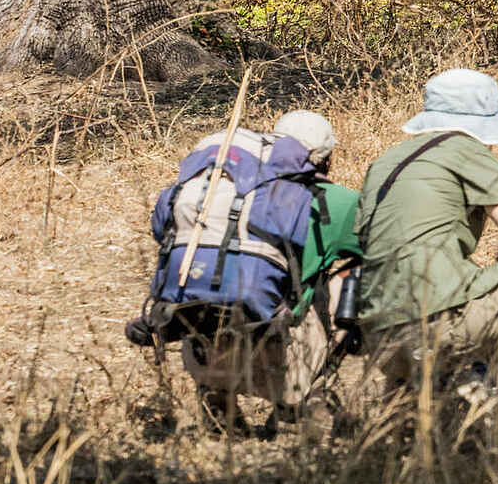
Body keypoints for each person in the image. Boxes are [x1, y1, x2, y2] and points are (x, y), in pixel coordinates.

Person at [145, 109, 358, 435]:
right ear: (325, 159)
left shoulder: (214, 191)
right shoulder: (334, 201)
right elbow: (385, 246)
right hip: (281, 359)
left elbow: (161, 233)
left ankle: (217, 405)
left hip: (206, 356)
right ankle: (300, 398)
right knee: (358, 277)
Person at [356, 68, 498, 395]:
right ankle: (482, 381)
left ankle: (423, 388)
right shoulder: (472, 153)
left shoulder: (386, 161)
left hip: (377, 334)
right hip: (438, 325)